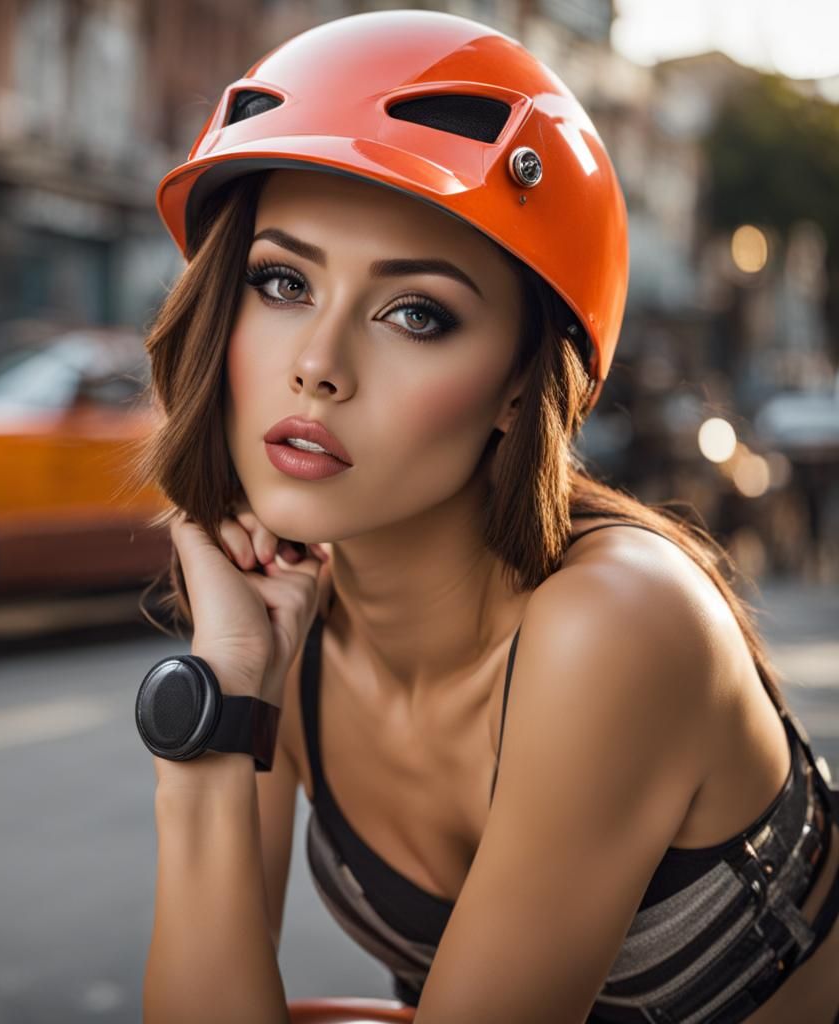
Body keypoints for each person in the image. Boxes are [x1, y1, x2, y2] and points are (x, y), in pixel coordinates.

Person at [133, 10, 839, 1024]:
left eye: (415, 312)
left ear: (520, 383)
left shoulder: (617, 622)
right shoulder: (291, 626)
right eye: (282, 282)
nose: (318, 363)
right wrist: (222, 701)